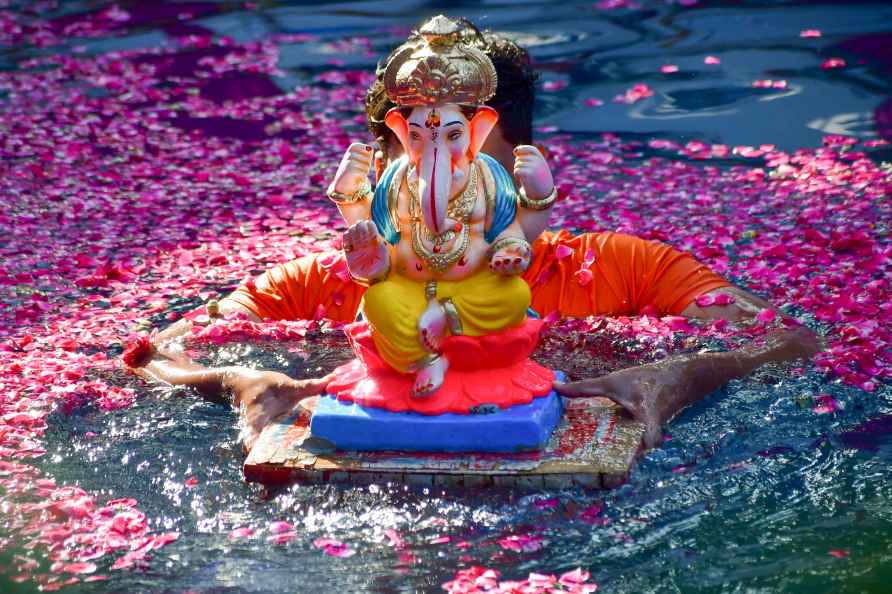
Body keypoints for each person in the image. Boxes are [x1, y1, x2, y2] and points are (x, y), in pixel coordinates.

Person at [132, 22, 820, 452]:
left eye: (468, 160)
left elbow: (787, 339)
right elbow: (155, 353)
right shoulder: (324, 282)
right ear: (381, 171)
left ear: (518, 167)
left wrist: (676, 375)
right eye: (415, 159)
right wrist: (241, 380)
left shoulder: (629, 270)